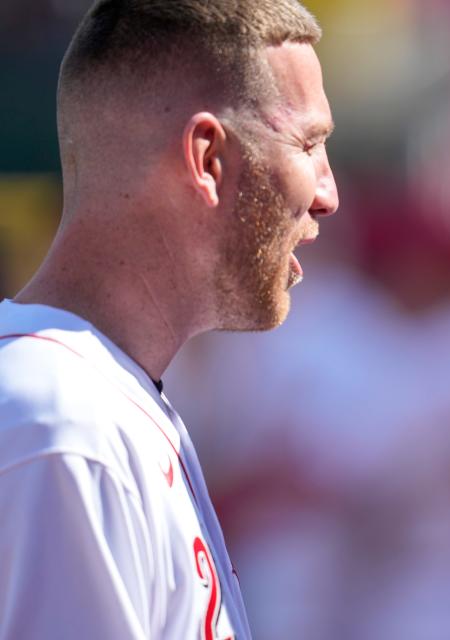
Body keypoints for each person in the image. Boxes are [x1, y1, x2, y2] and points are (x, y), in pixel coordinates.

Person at [0, 0, 337, 637]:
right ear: (208, 158)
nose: (328, 193)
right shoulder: (64, 429)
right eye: (310, 144)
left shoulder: (92, 402)